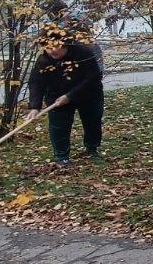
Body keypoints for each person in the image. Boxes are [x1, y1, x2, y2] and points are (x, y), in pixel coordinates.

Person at [25, 27, 105, 166]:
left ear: (66, 44)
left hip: (88, 93)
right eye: (48, 47)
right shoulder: (44, 60)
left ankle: (92, 148)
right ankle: (62, 157)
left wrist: (69, 96)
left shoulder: (83, 52)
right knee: (58, 126)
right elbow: (36, 82)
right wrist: (34, 107)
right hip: (57, 96)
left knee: (92, 121)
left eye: (56, 47)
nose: (52, 51)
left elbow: (93, 77)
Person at [43, 0, 104, 72]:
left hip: (86, 55)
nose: (48, 16)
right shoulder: (74, 16)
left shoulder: (70, 19)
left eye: (49, 14)